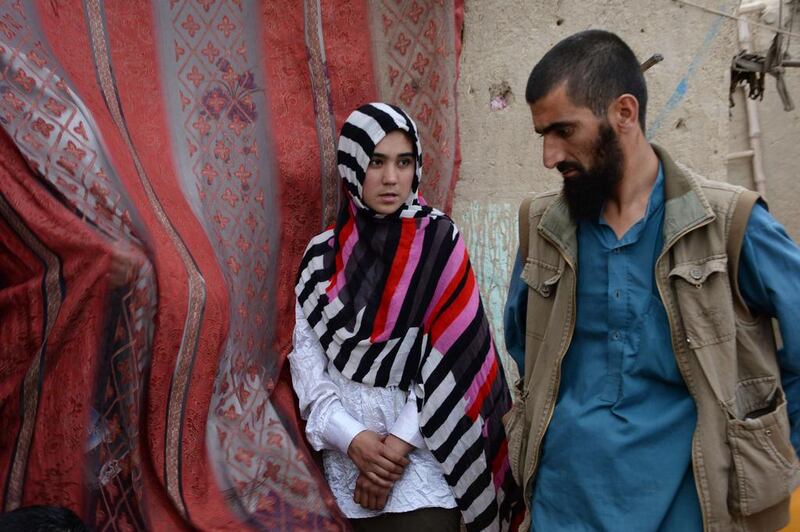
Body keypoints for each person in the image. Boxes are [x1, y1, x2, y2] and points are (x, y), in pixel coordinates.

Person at [503, 29, 800, 531]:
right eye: (543, 136)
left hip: (694, 512)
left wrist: (769, 461)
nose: (549, 156)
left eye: (564, 131)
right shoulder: (542, 228)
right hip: (562, 509)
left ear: (623, 113)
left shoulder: (729, 224)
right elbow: (524, 351)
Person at [290, 102, 522, 531]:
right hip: (344, 470)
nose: (392, 178)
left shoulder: (438, 242)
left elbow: (454, 360)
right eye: (376, 162)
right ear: (353, 165)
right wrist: (353, 440)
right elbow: (306, 365)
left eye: (404, 162)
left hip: (425, 464)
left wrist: (392, 452)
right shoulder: (321, 258)